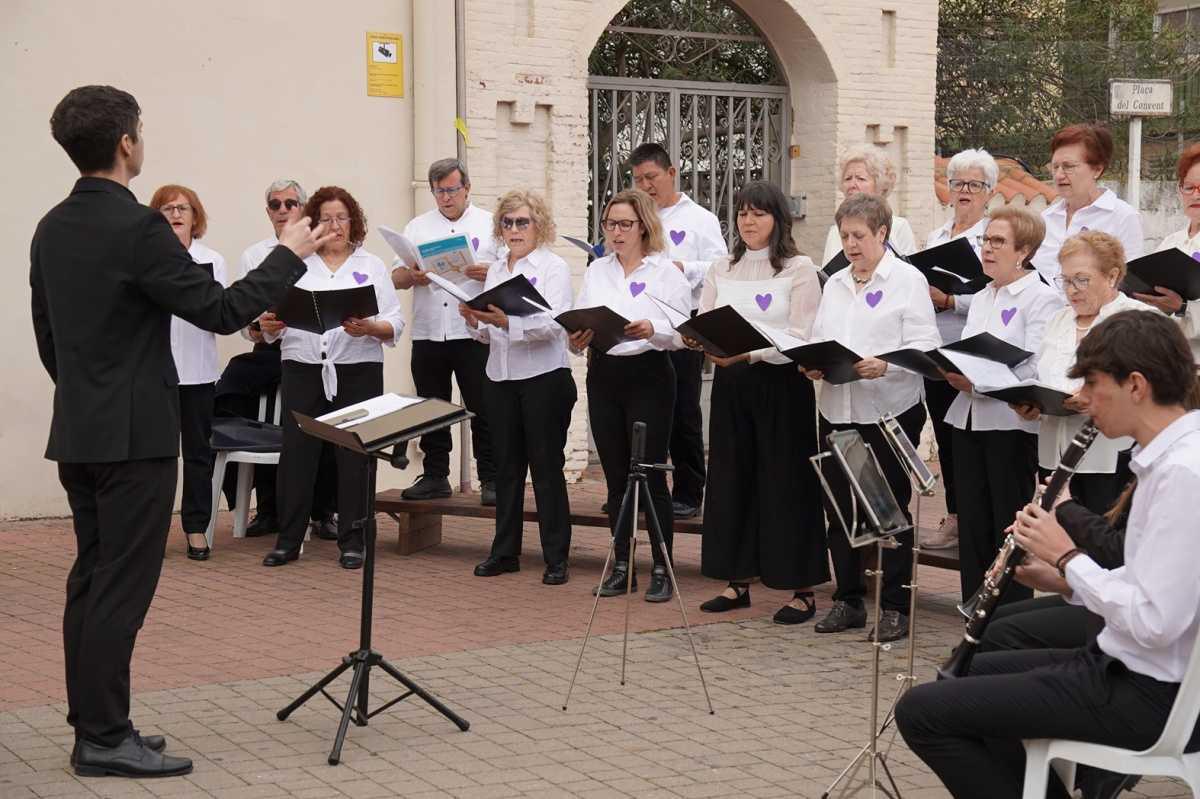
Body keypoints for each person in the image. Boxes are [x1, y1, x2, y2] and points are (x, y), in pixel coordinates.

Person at [31, 85, 327, 778]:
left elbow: (49, 335)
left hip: (79, 427)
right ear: (127, 144)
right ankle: (103, 737)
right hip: (135, 436)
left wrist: (87, 392)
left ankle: (100, 721)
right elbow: (221, 311)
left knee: (91, 578)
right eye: (140, 129)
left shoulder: (51, 226)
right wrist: (286, 253)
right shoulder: (138, 229)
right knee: (120, 587)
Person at [896, 309, 1200, 799]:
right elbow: (1153, 585)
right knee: (967, 670)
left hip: (1146, 690)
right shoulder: (1174, 457)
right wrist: (1068, 584)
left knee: (923, 712)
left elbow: (1158, 621)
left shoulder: (1184, 474)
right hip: (1128, 667)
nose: (1083, 400)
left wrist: (1068, 559)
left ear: (1136, 385)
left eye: (1094, 385)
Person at [691, 181, 828, 623]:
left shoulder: (799, 268)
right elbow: (706, 319)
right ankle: (737, 580)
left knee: (785, 483)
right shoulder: (721, 266)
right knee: (733, 479)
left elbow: (801, 333)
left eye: (759, 213)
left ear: (778, 219)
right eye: (743, 213)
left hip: (780, 386)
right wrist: (703, 342)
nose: (748, 222)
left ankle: (800, 587)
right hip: (732, 386)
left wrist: (752, 352)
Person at [806, 193, 941, 643]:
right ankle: (847, 600)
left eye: (859, 235)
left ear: (883, 233)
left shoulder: (907, 280)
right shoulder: (836, 282)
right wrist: (812, 363)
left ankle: (897, 608)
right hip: (836, 407)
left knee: (889, 509)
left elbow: (926, 345)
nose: (851, 244)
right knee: (841, 509)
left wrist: (887, 364)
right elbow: (820, 338)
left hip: (887, 411)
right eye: (844, 235)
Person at [261, 186, 404, 570]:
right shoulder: (295, 264)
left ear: (353, 221)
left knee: (354, 455)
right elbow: (266, 324)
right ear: (313, 223)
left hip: (357, 370)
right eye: (326, 218)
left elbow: (396, 321)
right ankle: (288, 541)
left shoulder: (371, 264)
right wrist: (268, 324)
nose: (335, 225)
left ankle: (353, 539)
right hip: (302, 367)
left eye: (342, 217)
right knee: (297, 454)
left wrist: (372, 327)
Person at [571, 188, 692, 603]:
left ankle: (662, 565)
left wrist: (651, 329)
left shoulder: (665, 273)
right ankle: (622, 565)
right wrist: (578, 338)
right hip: (605, 372)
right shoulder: (596, 271)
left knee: (650, 472)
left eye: (624, 224)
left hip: (649, 375)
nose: (616, 232)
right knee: (616, 476)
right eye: (610, 224)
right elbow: (582, 318)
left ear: (644, 226)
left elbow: (682, 335)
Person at [940, 207, 1061, 604]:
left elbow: (1037, 367)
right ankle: (972, 615)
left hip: (1010, 427)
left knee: (1005, 527)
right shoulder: (981, 297)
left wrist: (982, 381)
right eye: (984, 240)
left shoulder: (1041, 298)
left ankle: (1007, 617)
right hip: (968, 419)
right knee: (974, 527)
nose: (987, 249)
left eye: (997, 242)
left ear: (1023, 250)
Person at [461, 190, 576, 584]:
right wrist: (475, 321)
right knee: (507, 468)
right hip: (501, 377)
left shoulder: (554, 266)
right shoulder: (496, 270)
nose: (513, 230)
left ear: (538, 225)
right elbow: (489, 337)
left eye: (522, 222)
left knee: (546, 468)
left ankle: (556, 556)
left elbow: (555, 324)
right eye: (507, 223)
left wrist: (506, 323)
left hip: (544, 377)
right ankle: (504, 551)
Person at [219, 179, 339, 540]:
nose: (283, 210)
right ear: (268, 212)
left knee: (324, 417)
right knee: (246, 406)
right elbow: (245, 317)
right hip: (273, 349)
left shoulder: (320, 248)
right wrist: (258, 327)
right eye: (275, 205)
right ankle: (268, 508)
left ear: (303, 208)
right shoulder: (255, 254)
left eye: (290, 203)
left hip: (315, 349)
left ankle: (323, 511)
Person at [1015, 231, 1153, 515]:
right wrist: (1033, 405)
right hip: (1053, 454)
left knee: (1102, 543)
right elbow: (1046, 378)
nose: (1072, 289)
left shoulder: (1138, 318)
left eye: (1082, 279)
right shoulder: (1058, 320)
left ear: (1112, 276)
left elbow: (1155, 389)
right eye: (1065, 280)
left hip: (1110, 458)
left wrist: (1097, 398)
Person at [630, 142, 729, 519]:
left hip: (683, 323)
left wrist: (682, 267)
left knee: (684, 408)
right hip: (641, 322)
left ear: (671, 174)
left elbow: (719, 267)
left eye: (651, 177)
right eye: (638, 179)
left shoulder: (699, 219)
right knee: (644, 410)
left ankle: (689, 491)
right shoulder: (635, 216)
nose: (645, 186)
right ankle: (640, 488)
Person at [393, 158, 498, 504]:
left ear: (467, 188)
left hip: (472, 328)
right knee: (432, 404)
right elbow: (395, 278)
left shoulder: (490, 224)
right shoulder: (417, 227)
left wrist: (487, 272)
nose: (446, 197)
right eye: (439, 191)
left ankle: (491, 478)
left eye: (452, 190)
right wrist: (413, 274)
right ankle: (436, 475)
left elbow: (509, 271)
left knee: (483, 404)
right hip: (429, 331)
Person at [922, 149, 1000, 549]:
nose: (964, 191)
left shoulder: (993, 237)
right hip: (936, 349)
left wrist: (952, 301)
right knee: (943, 432)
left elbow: (998, 294)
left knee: (968, 439)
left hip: (970, 349)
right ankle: (953, 515)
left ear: (990, 192)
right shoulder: (936, 236)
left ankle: (975, 517)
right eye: (958, 184)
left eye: (974, 185)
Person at [148, 184, 228, 561]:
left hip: (197, 373)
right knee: (155, 458)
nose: (176, 215)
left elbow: (224, 313)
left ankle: (196, 528)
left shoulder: (213, 260)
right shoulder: (147, 260)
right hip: (157, 374)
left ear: (195, 217)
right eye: (167, 209)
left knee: (198, 455)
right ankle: (151, 533)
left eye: (183, 208)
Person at [1030, 123, 1144, 284]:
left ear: (1097, 169)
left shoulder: (1123, 216)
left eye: (1068, 166)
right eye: (1055, 167)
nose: (1059, 175)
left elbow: (1130, 283)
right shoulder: (1044, 219)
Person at [1147, 141, 1200, 361]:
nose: (1196, 196)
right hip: (1169, 362)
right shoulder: (1171, 243)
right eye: (1189, 187)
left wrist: (1183, 307)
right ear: (1180, 190)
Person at [820, 145, 917, 266]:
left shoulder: (898, 226)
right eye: (848, 178)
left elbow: (909, 272)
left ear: (880, 185)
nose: (852, 185)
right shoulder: (835, 231)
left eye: (860, 178)